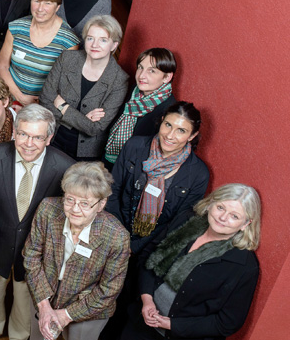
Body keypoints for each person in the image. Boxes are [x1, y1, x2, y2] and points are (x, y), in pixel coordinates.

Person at [0, 104, 75, 340]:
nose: (29, 143)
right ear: (15, 132)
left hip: (34, 252)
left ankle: (19, 334)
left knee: (24, 297)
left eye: (37, 137)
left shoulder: (65, 167)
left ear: (49, 138)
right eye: (24, 134)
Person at [121, 184, 261, 340]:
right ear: (211, 203)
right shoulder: (187, 220)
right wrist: (147, 300)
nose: (223, 218)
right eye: (220, 208)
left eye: (234, 216)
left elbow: (227, 322)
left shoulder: (243, 266)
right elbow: (148, 256)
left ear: (246, 224)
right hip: (140, 320)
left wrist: (171, 324)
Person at [22, 161, 130, 340]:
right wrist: (44, 306)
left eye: (85, 203)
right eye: (70, 199)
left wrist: (65, 315)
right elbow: (31, 257)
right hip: (44, 294)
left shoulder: (117, 237)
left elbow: (108, 291)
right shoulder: (47, 210)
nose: (75, 209)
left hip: (89, 306)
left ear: (101, 204)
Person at [106, 101, 210, 255]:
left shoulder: (198, 174)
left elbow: (178, 223)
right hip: (114, 230)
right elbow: (112, 189)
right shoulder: (135, 146)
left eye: (181, 130)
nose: (170, 135)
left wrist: (134, 247)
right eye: (168, 125)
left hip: (150, 248)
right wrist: (118, 234)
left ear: (192, 135)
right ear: (161, 120)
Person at [40, 15, 129, 159]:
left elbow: (95, 128)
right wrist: (82, 119)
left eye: (103, 40)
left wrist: (63, 107)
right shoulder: (67, 58)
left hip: (85, 153)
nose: (94, 45)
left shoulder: (119, 80)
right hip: (52, 137)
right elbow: (45, 99)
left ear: (114, 45)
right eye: (90, 38)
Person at [0, 0, 79, 107]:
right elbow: (1, 66)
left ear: (57, 7)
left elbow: (65, 84)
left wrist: (36, 105)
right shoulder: (16, 28)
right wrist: (19, 97)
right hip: (10, 97)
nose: (40, 9)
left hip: (44, 105)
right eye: (37, 1)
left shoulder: (68, 41)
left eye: (48, 3)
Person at [104, 48, 177, 166]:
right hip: (109, 158)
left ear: (167, 77)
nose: (141, 75)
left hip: (132, 168)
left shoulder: (169, 111)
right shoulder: (135, 90)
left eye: (152, 71)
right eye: (140, 67)